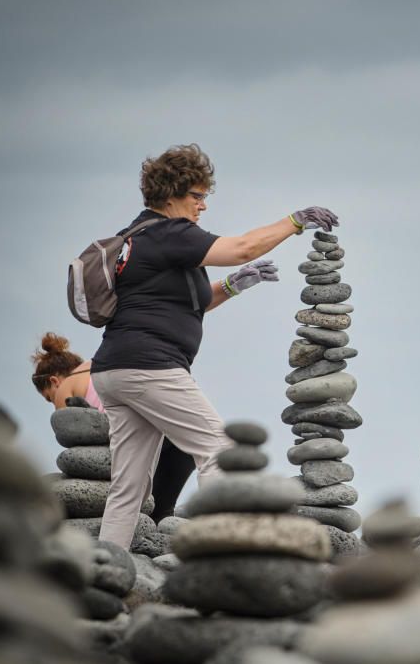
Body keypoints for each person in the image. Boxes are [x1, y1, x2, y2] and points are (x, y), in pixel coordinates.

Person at [90, 143, 338, 549]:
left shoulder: (133, 237)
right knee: (219, 451)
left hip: (113, 369)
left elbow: (180, 303)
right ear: (171, 194)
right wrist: (295, 220)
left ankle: (103, 571)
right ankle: (222, 552)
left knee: (128, 487)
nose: (202, 206)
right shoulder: (171, 233)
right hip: (151, 367)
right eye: (197, 196)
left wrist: (234, 285)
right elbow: (242, 247)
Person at [31, 332, 195, 522]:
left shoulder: (66, 387)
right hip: (179, 436)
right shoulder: (105, 365)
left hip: (142, 439)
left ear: (54, 381)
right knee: (159, 515)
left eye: (49, 398)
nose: (54, 405)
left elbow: (72, 436)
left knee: (133, 515)